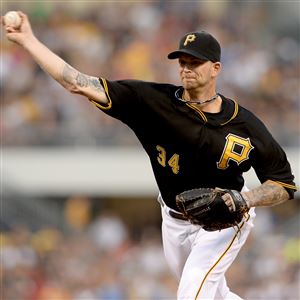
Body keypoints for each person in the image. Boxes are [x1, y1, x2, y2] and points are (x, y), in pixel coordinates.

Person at [3, 12, 297, 300]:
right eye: (183, 62)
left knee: (192, 293)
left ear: (216, 68)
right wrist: (29, 41)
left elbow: (284, 184)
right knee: (213, 293)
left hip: (225, 219)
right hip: (173, 218)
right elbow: (77, 83)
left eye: (195, 62)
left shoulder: (244, 124)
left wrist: (246, 199)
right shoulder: (152, 101)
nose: (186, 68)